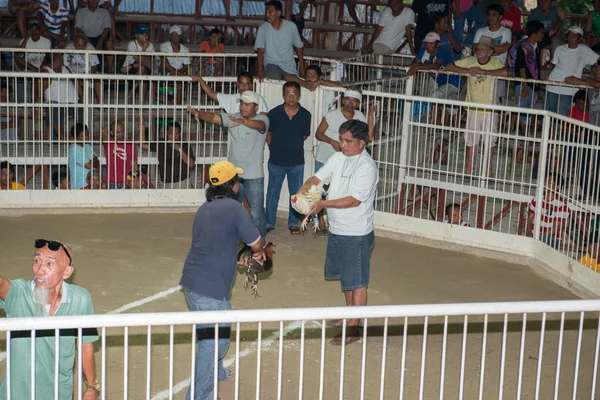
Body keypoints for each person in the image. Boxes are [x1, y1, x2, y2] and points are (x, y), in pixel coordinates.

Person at [180, 161, 265, 400]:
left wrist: (233, 255)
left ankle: (215, 372)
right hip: (211, 287)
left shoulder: (205, 208)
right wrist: (256, 252)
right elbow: (257, 243)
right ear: (233, 186)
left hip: (193, 282)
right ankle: (199, 395)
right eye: (237, 181)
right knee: (213, 343)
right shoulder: (235, 208)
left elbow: (214, 241)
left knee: (215, 334)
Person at [296, 120, 378, 346]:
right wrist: (303, 190)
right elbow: (318, 178)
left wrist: (321, 204)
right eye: (342, 139)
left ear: (362, 143)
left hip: (357, 232)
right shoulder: (338, 158)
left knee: (358, 281)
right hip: (338, 229)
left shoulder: (366, 167)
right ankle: (349, 315)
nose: (343, 144)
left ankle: (353, 328)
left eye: (348, 141)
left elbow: (353, 200)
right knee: (347, 278)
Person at [0, 239, 99, 400]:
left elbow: (85, 346)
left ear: (67, 272)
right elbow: (2, 284)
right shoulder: (19, 294)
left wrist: (91, 386)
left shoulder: (80, 299)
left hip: (58, 393)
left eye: (49, 264)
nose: (39, 270)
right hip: (16, 395)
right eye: (37, 261)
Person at [188, 91, 269, 239]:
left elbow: (259, 125)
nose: (243, 107)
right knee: (230, 209)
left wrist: (243, 122)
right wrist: (199, 113)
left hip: (254, 175)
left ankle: (260, 247)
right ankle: (231, 240)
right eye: (241, 104)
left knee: (257, 213)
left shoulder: (262, 119)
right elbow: (213, 117)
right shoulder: (233, 117)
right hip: (233, 176)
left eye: (246, 104)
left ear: (256, 107)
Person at [314, 87, 376, 234]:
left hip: (346, 161)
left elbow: (369, 137)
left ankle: (332, 221)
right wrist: (332, 142)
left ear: (358, 103)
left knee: (339, 192)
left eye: (355, 101)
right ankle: (320, 222)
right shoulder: (332, 115)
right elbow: (318, 133)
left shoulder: (360, 116)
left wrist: (370, 117)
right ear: (343, 99)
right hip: (326, 157)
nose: (350, 103)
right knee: (319, 190)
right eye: (348, 99)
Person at [445, 36, 508, 178]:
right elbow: (449, 67)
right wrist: (468, 72)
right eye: (478, 48)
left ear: (490, 52)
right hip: (473, 108)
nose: (479, 51)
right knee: (471, 140)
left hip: (491, 109)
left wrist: (484, 72)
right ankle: (469, 171)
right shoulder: (470, 61)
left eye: (483, 49)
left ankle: (488, 173)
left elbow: (505, 72)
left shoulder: (495, 62)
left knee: (489, 141)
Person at [266, 81, 311, 235]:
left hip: (296, 162)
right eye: (288, 94)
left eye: (294, 94)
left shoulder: (306, 115)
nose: (291, 97)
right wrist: (272, 146)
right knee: (272, 192)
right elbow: (269, 133)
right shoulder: (274, 113)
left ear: (299, 95)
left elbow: (304, 136)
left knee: (296, 194)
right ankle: (269, 222)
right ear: (283, 95)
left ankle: (293, 223)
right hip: (276, 160)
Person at [507, 20, 544, 164]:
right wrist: (524, 87)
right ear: (534, 33)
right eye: (540, 33)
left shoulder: (536, 47)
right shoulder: (524, 47)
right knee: (523, 111)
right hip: (524, 84)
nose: (542, 35)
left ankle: (523, 141)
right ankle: (524, 138)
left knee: (526, 111)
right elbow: (522, 68)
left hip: (531, 84)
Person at [545, 26, 599, 117]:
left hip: (569, 89)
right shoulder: (560, 49)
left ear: (580, 38)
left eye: (573, 36)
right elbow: (554, 66)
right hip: (552, 85)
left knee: (562, 118)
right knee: (548, 115)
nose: (570, 38)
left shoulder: (584, 50)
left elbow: (598, 60)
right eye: (569, 35)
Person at [255, 0, 305, 81]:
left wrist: (302, 71)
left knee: (294, 82)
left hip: (289, 66)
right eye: (266, 12)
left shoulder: (291, 26)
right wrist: (260, 70)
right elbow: (260, 51)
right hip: (271, 64)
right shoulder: (263, 28)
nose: (267, 15)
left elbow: (299, 48)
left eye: (270, 12)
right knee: (275, 78)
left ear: (278, 13)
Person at [38, 52, 83, 141]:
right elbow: (39, 92)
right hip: (54, 101)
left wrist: (82, 96)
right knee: (54, 111)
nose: (62, 60)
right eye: (60, 58)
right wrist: (36, 106)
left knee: (83, 112)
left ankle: (79, 138)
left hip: (73, 101)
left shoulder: (65, 68)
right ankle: (62, 137)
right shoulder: (45, 72)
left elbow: (75, 81)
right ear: (54, 60)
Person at [473, 4, 511, 104]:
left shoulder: (506, 32)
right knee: (479, 101)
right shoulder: (480, 31)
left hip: (498, 71)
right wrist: (494, 49)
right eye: (489, 14)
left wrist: (483, 49)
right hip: (481, 70)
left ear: (501, 16)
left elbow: (503, 49)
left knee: (497, 103)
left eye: (494, 14)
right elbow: (475, 50)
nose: (490, 17)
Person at [141, 120, 196, 189]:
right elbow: (142, 145)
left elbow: (191, 164)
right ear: (166, 133)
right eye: (171, 134)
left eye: (176, 134)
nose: (173, 137)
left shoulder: (185, 145)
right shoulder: (161, 143)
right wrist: (142, 127)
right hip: (165, 183)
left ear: (180, 134)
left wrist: (179, 149)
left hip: (183, 182)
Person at [190, 71, 269, 114]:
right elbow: (211, 93)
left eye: (247, 84)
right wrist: (200, 79)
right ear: (237, 84)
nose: (244, 86)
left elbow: (264, 119)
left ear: (252, 85)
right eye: (241, 83)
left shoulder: (259, 99)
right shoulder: (231, 98)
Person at [526, 173, 569, 250]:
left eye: (549, 182)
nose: (545, 184)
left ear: (557, 187)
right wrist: (529, 233)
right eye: (545, 181)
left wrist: (536, 237)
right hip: (535, 234)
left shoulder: (561, 204)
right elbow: (529, 219)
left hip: (551, 238)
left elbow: (555, 230)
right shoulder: (536, 199)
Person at [74, 0, 114, 73]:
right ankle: (86, 71)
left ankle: (109, 70)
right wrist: (87, 41)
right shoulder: (81, 12)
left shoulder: (104, 12)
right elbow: (78, 29)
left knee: (109, 44)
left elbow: (106, 29)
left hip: (100, 37)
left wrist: (101, 40)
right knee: (82, 44)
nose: (94, 2)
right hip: (85, 37)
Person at [64, 34, 103, 103]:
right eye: (79, 45)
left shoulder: (91, 48)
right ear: (74, 44)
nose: (81, 48)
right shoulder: (68, 49)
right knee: (73, 78)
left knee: (97, 80)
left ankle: (100, 103)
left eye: (83, 45)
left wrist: (88, 74)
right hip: (72, 72)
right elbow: (65, 66)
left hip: (87, 71)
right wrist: (72, 74)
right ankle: (82, 98)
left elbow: (95, 66)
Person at [101, 119, 138, 189]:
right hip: (112, 182)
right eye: (117, 132)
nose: (121, 134)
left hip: (127, 183)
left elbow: (134, 166)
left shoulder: (130, 145)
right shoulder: (109, 142)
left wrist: (132, 180)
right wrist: (113, 122)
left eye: (122, 131)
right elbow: (103, 131)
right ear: (111, 132)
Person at [158, 25, 191, 104]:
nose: (175, 37)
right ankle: (172, 102)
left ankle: (177, 103)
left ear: (180, 36)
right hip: (166, 69)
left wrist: (177, 72)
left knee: (179, 80)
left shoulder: (185, 49)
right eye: (173, 35)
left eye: (177, 35)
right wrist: (172, 71)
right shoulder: (164, 45)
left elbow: (186, 66)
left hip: (179, 71)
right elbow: (163, 59)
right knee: (163, 63)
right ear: (170, 36)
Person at [566, 60, 600, 126]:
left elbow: (598, 85)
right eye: (598, 70)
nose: (599, 73)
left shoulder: (591, 82)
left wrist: (590, 82)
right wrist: (586, 82)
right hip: (592, 125)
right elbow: (568, 79)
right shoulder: (591, 82)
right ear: (594, 70)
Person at [68, 123, 100, 190]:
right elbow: (89, 165)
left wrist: (93, 162)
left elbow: (97, 163)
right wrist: (93, 161)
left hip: (90, 186)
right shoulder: (73, 149)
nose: (86, 137)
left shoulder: (88, 146)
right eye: (83, 136)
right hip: (78, 185)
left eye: (87, 134)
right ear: (75, 138)